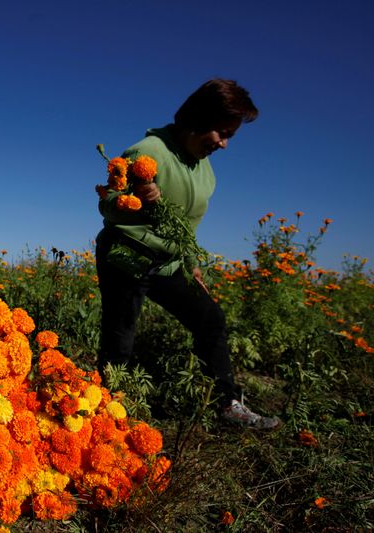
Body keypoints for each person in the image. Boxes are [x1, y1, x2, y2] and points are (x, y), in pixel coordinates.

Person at [95, 78, 280, 429]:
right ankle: (105, 415)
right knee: (120, 336)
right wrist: (135, 203)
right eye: (222, 133)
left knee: (210, 318)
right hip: (126, 255)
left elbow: (187, 227)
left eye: (230, 137)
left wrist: (192, 267)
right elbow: (108, 207)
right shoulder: (147, 153)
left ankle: (228, 406)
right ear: (199, 119)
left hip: (169, 263)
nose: (224, 144)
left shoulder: (205, 171)